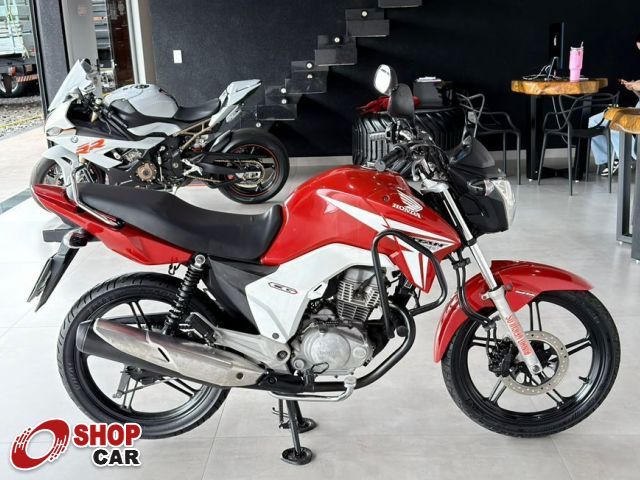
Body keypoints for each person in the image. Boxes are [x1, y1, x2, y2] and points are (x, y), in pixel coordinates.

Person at [589, 33, 640, 176]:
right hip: (636, 110)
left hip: (637, 114)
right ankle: (609, 160)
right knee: (593, 121)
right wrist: (633, 88)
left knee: (616, 123)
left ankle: (627, 159)